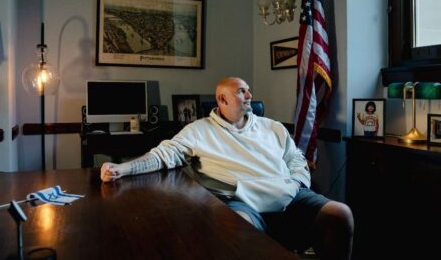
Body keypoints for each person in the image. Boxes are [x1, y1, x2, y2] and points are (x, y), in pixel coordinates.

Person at [101, 77, 354, 260]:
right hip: (240, 200)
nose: (249, 96)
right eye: (242, 91)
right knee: (238, 231)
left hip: (289, 193)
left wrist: (298, 182)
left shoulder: (272, 127)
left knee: (340, 214)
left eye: (249, 91)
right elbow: (163, 155)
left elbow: (296, 159)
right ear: (222, 99)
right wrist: (122, 169)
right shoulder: (199, 131)